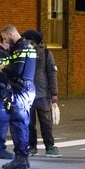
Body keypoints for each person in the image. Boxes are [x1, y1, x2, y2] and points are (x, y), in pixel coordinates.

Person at [0, 25, 38, 169]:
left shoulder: (20, 48)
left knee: (18, 123)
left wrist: (4, 68)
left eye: (6, 38)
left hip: (20, 90)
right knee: (22, 123)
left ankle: (20, 157)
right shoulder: (29, 47)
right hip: (27, 88)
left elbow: (17, 69)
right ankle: (23, 157)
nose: (6, 41)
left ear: (11, 33)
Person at [25, 29, 61, 158]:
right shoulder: (24, 53)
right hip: (27, 94)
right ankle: (31, 147)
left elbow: (52, 74)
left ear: (33, 41)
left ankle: (50, 146)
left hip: (42, 94)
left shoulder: (46, 54)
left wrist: (54, 93)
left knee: (46, 122)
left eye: (27, 40)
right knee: (29, 123)